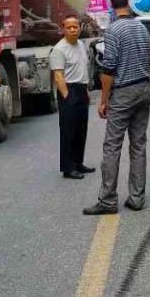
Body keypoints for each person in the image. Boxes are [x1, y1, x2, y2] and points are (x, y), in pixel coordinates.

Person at [83, 0, 150, 215]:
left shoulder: (113, 31)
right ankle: (137, 197)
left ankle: (108, 200)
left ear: (111, 4)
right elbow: (148, 58)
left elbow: (109, 68)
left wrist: (104, 100)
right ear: (129, 1)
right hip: (144, 89)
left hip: (123, 92)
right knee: (138, 144)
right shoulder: (141, 28)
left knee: (112, 146)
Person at [50, 14, 94, 179]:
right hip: (68, 90)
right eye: (69, 27)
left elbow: (83, 69)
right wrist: (67, 97)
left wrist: (86, 92)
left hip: (81, 89)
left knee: (81, 129)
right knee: (68, 131)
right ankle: (68, 168)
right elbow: (58, 76)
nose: (73, 30)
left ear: (79, 28)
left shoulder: (81, 45)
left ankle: (78, 163)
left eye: (75, 26)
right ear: (63, 29)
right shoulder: (59, 49)